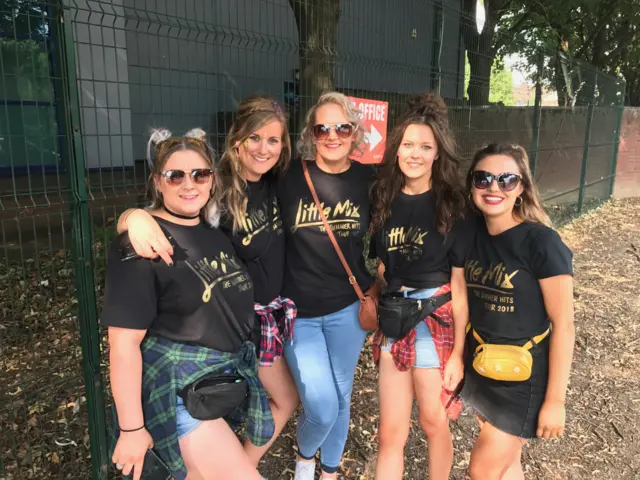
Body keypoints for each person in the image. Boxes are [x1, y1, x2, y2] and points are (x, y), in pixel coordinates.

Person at [114, 96, 300, 474]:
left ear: (213, 179)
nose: (189, 184)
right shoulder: (143, 243)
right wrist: (131, 428)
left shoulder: (212, 229)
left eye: (200, 174)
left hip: (217, 384)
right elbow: (122, 344)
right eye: (175, 175)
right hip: (179, 390)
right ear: (157, 181)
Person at [369, 93, 471, 480]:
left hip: (433, 318)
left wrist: (459, 353)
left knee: (433, 421)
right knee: (389, 432)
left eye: (425, 146)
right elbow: (382, 267)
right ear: (396, 151)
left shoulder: (452, 205)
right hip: (393, 318)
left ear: (437, 154)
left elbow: (459, 288)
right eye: (408, 145)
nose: (415, 154)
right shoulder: (384, 198)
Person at [277, 91, 376, 480]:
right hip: (298, 312)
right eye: (322, 128)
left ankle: (331, 470)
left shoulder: (370, 180)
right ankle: (305, 456)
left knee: (341, 395)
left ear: (355, 132)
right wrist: (135, 216)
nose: (332, 135)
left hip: (347, 310)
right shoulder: (287, 178)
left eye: (342, 127)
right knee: (320, 404)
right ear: (310, 134)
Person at [462, 143, 575, 479]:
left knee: (482, 471)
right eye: (483, 179)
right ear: (471, 185)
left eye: (506, 180)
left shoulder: (542, 243)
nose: (493, 187)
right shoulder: (471, 234)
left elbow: (564, 325)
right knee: (508, 465)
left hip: (523, 379)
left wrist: (555, 401)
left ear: (522, 188)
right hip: (483, 366)